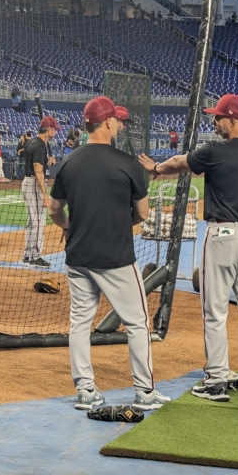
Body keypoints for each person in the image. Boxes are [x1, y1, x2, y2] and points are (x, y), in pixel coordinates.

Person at [138, 94, 238, 405]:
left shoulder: (216, 150)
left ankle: (215, 380)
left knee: (214, 311)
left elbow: (179, 163)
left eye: (218, 117)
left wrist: (155, 169)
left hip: (223, 232)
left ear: (232, 120)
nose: (214, 122)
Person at [48, 96, 171, 411]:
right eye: (117, 119)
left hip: (77, 256)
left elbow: (54, 211)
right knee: (138, 322)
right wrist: (118, 220)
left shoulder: (69, 161)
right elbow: (142, 215)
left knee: (79, 322)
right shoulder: (126, 162)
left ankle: (86, 391)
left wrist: (71, 226)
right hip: (115, 257)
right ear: (106, 123)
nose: (120, 124)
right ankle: (144, 392)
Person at [22, 116, 60, 267]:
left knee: (32, 221)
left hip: (29, 182)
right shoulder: (40, 146)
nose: (55, 132)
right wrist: (45, 195)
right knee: (39, 222)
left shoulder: (33, 142)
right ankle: (35, 256)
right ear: (49, 130)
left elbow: (37, 165)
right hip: (34, 184)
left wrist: (46, 163)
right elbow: (38, 172)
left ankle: (28, 255)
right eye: (54, 129)